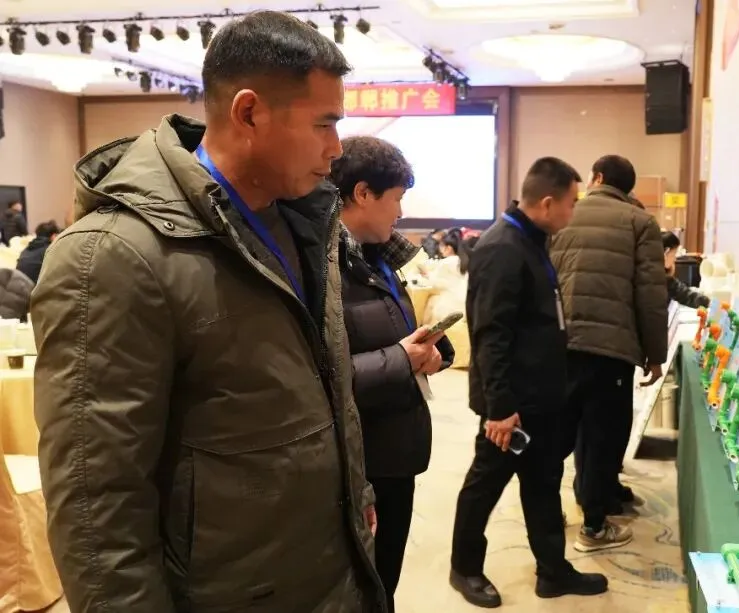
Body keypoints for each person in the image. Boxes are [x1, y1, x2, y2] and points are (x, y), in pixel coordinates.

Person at [31, 11, 386, 613]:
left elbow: (318, 398)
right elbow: (97, 507)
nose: (336, 149)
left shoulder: (301, 220)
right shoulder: (112, 255)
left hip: (325, 572)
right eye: (324, 124)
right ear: (249, 113)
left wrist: (354, 500)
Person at [449, 157, 607, 608]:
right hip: (512, 404)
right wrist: (500, 408)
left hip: (541, 398)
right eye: (572, 203)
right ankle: (464, 567)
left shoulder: (532, 241)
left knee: (543, 484)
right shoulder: (503, 248)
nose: (573, 212)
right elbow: (491, 335)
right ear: (547, 202)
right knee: (485, 484)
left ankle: (552, 571)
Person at [331, 135, 455, 613]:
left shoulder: (377, 257)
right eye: (397, 199)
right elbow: (318, 377)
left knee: (386, 581)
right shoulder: (324, 268)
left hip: (395, 452)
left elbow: (396, 332)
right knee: (368, 586)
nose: (401, 213)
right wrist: (402, 359)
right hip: (363, 461)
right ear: (362, 193)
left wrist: (433, 352)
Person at [549, 154, 669, 553]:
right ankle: (594, 526)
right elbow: (650, 294)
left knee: (557, 435)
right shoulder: (641, 223)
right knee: (602, 438)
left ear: (597, 178)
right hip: (611, 351)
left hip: (560, 344)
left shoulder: (567, 213)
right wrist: (655, 354)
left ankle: (547, 513)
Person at [661, 230, 710, 308]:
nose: (675, 259)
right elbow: (685, 295)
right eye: (673, 254)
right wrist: (710, 302)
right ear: (666, 252)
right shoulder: (660, 277)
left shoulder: (649, 270)